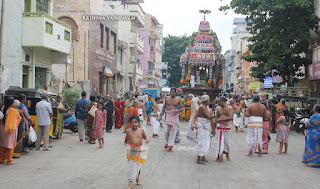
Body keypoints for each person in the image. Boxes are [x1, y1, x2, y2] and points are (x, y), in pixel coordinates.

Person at [126, 115, 149, 189]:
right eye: (132, 122)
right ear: (129, 123)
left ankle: (137, 179)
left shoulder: (141, 130)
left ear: (138, 123)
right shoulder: (128, 131)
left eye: (135, 122)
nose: (134, 124)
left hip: (139, 150)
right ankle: (130, 183)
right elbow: (127, 139)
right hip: (131, 151)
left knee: (138, 167)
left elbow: (145, 137)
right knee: (131, 167)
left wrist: (147, 139)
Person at [191, 95, 215, 164]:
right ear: (207, 101)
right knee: (201, 142)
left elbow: (211, 120)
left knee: (206, 142)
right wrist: (217, 115)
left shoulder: (209, 109)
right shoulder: (200, 107)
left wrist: (213, 130)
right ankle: (199, 158)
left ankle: (203, 156)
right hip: (202, 127)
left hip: (206, 127)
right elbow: (195, 117)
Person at [0, 97, 22, 165]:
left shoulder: (3, 108)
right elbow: (19, 118)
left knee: (3, 144)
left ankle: (2, 159)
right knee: (10, 145)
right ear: (13, 103)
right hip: (11, 129)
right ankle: (9, 160)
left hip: (3, 128)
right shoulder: (13, 111)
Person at [215, 96, 233, 162]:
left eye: (218, 101)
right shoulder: (218, 109)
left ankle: (227, 154)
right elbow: (216, 119)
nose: (217, 103)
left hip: (226, 126)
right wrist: (213, 129)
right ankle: (220, 156)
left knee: (227, 143)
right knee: (220, 142)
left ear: (222, 101)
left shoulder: (229, 108)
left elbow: (231, 117)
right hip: (219, 127)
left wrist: (221, 119)